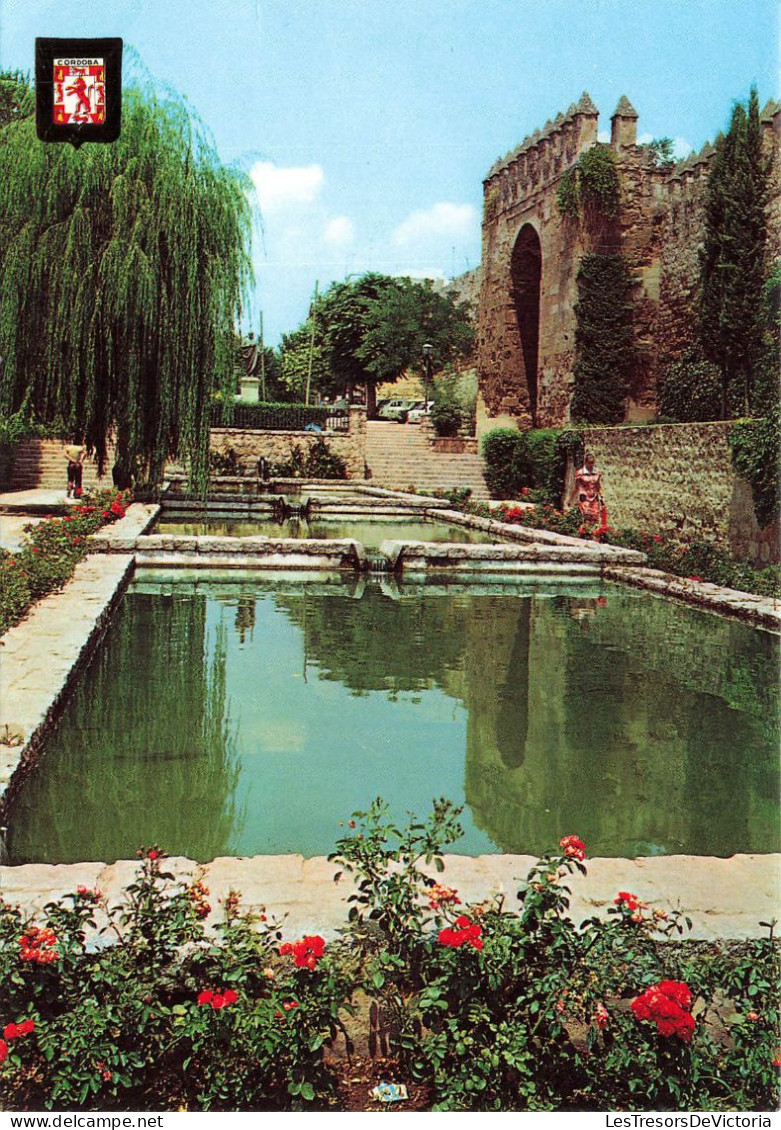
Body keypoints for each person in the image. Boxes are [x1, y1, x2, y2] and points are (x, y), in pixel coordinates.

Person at [568, 452, 606, 525]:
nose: (591, 465)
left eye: (592, 463)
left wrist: (602, 496)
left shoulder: (597, 472)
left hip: (594, 497)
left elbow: (598, 486)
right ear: (585, 462)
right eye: (589, 463)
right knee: (587, 516)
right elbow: (576, 487)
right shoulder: (580, 473)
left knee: (595, 517)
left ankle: (592, 533)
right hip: (584, 497)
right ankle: (585, 533)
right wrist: (570, 499)